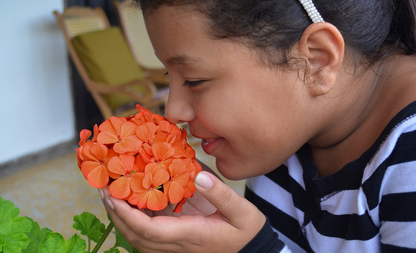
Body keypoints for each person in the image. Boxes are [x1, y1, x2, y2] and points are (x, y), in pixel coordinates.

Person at [98, 0, 416, 252]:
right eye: (170, 76)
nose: (174, 111)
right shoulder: (280, 137)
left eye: (195, 80)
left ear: (316, 60)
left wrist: (254, 248)